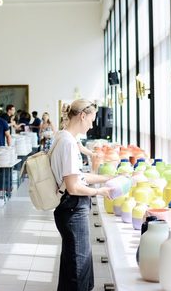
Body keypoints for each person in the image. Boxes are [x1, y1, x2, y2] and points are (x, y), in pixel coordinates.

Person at [50, 99, 113, 291]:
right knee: (78, 269)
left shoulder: (62, 136)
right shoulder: (68, 143)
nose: (92, 125)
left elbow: (77, 176)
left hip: (68, 208)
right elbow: (74, 187)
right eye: (91, 120)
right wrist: (99, 191)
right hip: (73, 208)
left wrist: (106, 177)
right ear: (82, 116)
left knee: (73, 265)